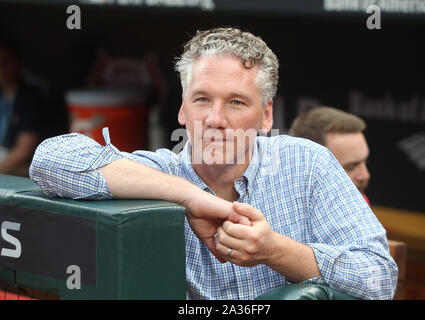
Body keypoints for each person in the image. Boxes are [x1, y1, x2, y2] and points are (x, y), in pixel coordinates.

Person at [29, 27, 397, 300]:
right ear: (182, 109)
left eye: (237, 102)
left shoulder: (307, 162)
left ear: (266, 115)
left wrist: (275, 251)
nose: (216, 118)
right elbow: (49, 161)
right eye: (202, 99)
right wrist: (190, 197)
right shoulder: (157, 173)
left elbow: (380, 278)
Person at [289, 106, 371, 204]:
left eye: (365, 162)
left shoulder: (359, 203)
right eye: (351, 167)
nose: (365, 175)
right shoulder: (273, 215)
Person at [0, 39, 43, 176]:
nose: (1, 67)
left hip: (19, 163)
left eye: (5, 62)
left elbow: (25, 149)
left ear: (17, 63)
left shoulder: (29, 98)